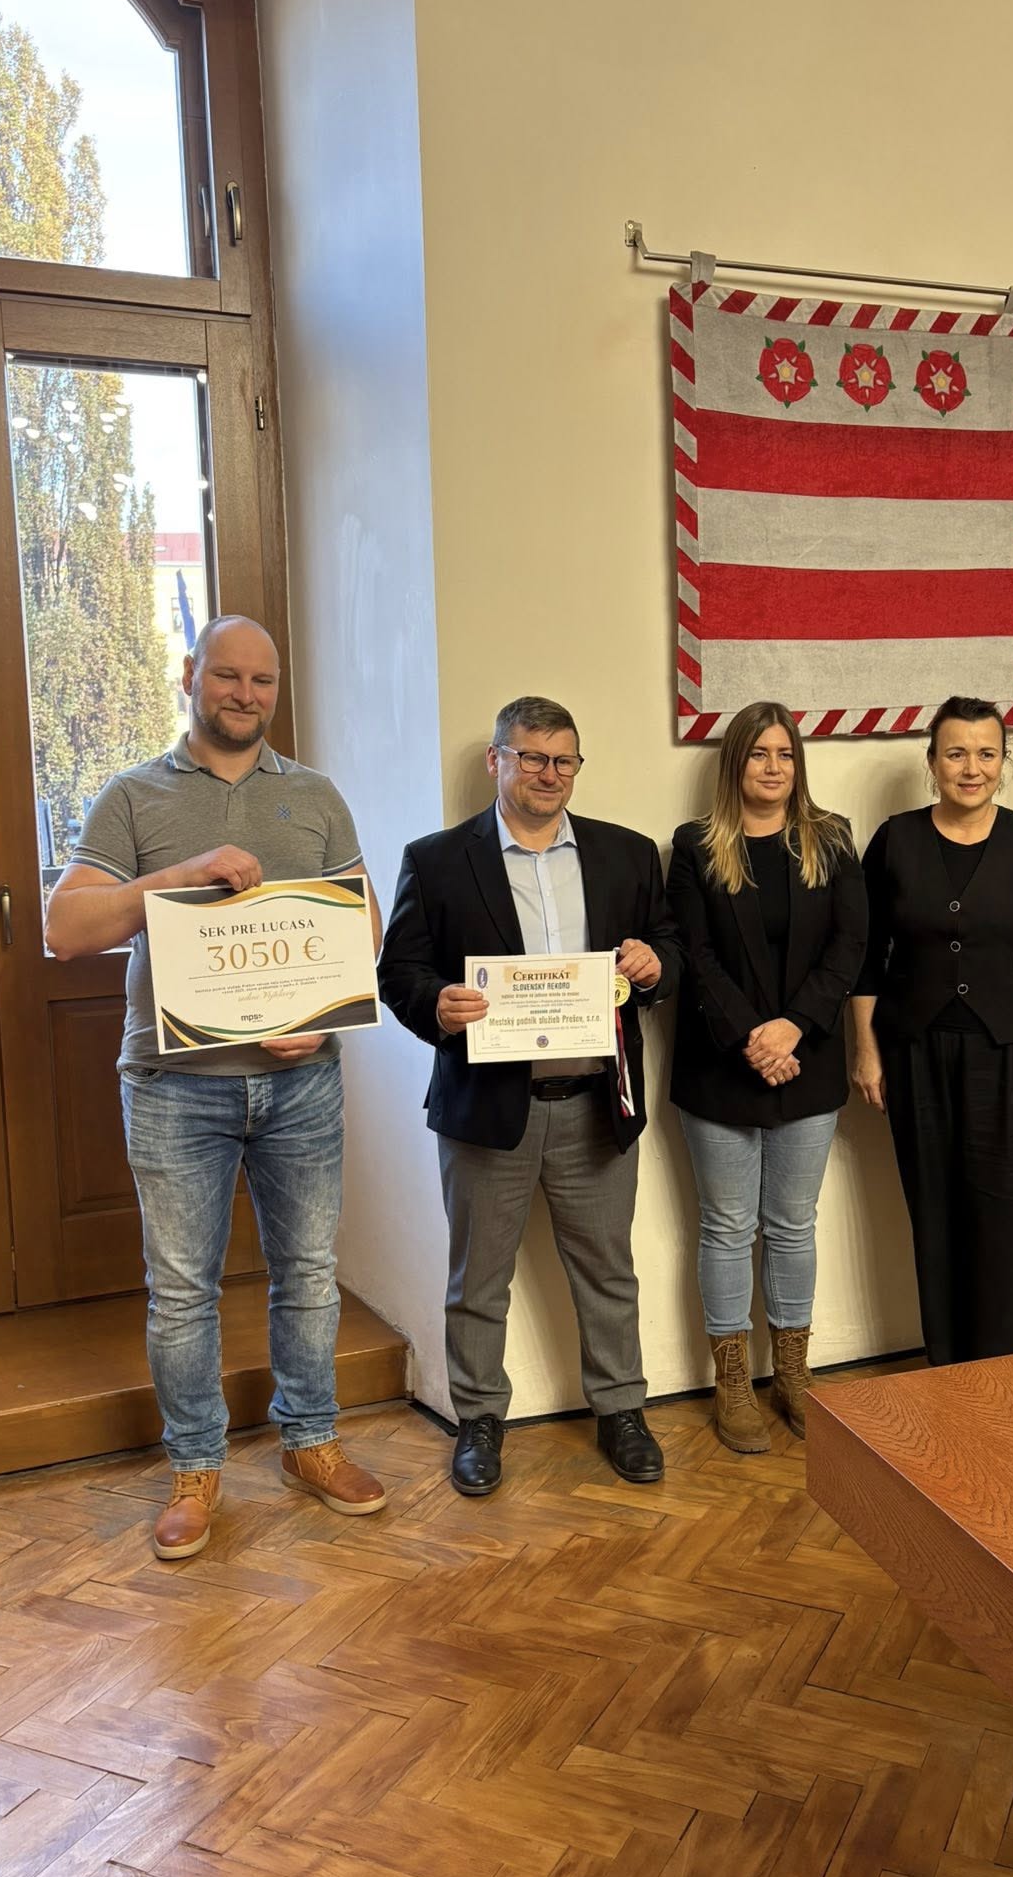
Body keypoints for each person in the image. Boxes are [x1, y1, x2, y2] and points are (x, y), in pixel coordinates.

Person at [45, 615, 388, 1561]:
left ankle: (310, 1442)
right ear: (191, 674)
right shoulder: (133, 795)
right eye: (227, 676)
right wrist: (183, 874)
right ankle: (196, 1467)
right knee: (182, 1289)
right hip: (174, 1088)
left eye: (262, 681)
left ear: (277, 689)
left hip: (302, 1081)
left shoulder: (315, 795)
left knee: (308, 1273)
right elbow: (65, 930)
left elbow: (362, 929)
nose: (245, 694)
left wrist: (324, 1011)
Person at [377, 696, 682, 1497]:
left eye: (563, 760)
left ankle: (621, 1409)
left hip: (596, 1103)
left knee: (608, 1271)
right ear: (496, 761)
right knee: (478, 1280)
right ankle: (478, 1419)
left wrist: (656, 967)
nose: (549, 774)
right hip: (487, 1108)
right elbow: (398, 973)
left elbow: (668, 945)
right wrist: (436, 1005)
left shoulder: (626, 854)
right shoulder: (437, 860)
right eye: (531, 757)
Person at [850, 696, 1013, 1366]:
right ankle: (949, 1373)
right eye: (955, 753)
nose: (971, 768)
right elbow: (866, 959)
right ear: (932, 761)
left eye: (987, 753)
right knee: (936, 1214)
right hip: (916, 1054)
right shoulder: (894, 840)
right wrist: (866, 1051)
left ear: (1003, 762)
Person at [667, 703, 867, 1451]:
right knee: (726, 1227)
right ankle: (732, 1383)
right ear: (736, 764)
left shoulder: (831, 839)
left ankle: (792, 1375)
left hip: (807, 1062)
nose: (773, 766)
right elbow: (693, 955)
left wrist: (794, 1027)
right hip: (721, 1067)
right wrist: (754, 1035)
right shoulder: (694, 846)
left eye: (784, 753)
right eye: (758, 753)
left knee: (791, 1224)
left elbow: (851, 945)